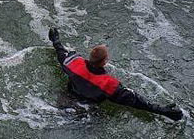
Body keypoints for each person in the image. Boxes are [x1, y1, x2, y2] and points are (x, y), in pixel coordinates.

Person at [48, 27, 184, 121]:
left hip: (64, 102)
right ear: (104, 61)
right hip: (84, 112)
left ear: (89, 56)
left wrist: (56, 40)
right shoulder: (109, 84)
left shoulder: (73, 62)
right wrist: (162, 110)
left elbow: (60, 52)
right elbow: (136, 101)